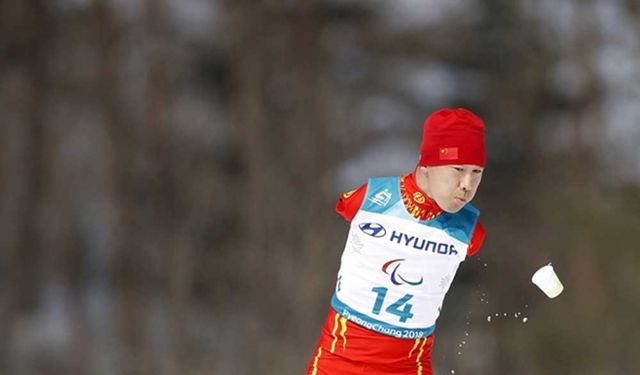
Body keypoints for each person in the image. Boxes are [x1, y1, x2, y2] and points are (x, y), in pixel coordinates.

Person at [305, 108, 487, 375]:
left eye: (477, 172)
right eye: (458, 169)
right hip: (339, 362)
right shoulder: (372, 198)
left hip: (407, 367)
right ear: (427, 163)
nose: (467, 184)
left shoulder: (469, 230)